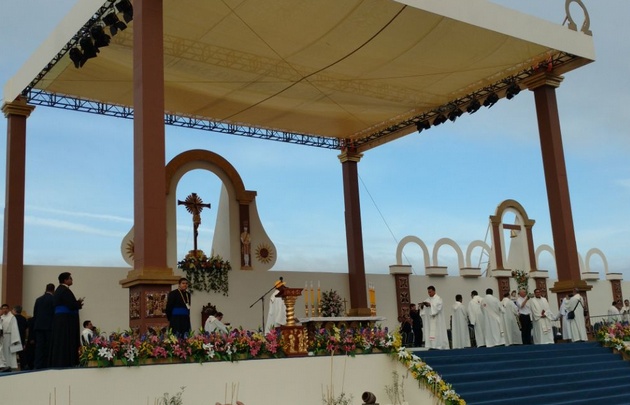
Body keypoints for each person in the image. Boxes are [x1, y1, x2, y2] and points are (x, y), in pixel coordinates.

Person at [50, 272, 84, 367]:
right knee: (65, 342)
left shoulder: (59, 290)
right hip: (66, 321)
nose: (72, 280)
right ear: (65, 280)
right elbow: (71, 305)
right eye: (70, 278)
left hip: (61, 320)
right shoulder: (64, 290)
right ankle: (66, 361)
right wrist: (78, 304)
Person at [33, 283, 55, 369]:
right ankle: (47, 365)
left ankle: (37, 365)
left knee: (39, 347)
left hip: (38, 326)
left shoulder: (38, 299)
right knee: (48, 347)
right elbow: (54, 314)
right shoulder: (53, 299)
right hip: (49, 327)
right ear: (53, 290)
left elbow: (35, 313)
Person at [420, 286, 449, 350]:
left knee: (437, 333)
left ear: (434, 291)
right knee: (430, 332)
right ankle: (430, 345)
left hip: (437, 320)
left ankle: (438, 345)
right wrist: (422, 306)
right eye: (428, 292)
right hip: (429, 321)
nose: (429, 293)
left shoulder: (438, 299)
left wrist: (430, 305)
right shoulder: (427, 300)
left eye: (430, 292)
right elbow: (423, 311)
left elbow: (438, 308)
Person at [0, 304, 23, 370]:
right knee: (2, 352)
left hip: (10, 336)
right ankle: (3, 365)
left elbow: (14, 328)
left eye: (6, 308)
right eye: (3, 308)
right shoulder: (1, 317)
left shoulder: (12, 317)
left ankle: (10, 365)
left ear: (8, 309)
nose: (5, 310)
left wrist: (15, 339)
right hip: (2, 337)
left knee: (9, 352)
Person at [12, 306, 28, 370]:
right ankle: (23, 366)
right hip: (22, 337)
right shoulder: (24, 318)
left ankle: (13, 366)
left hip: (14, 338)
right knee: (21, 354)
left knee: (13, 353)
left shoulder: (13, 318)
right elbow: (26, 329)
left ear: (15, 311)